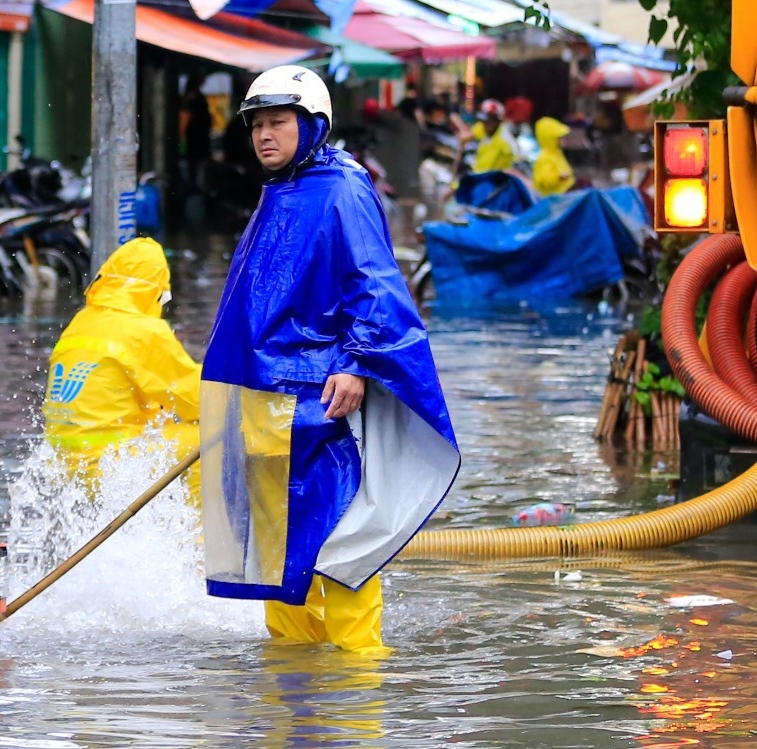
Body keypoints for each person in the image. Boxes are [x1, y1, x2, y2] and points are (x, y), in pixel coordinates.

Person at [199, 66, 458, 655]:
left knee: (341, 540)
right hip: (262, 400)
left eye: (277, 122)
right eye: (256, 125)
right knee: (275, 551)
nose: (264, 135)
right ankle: (294, 690)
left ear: (311, 124)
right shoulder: (281, 189)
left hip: (317, 399)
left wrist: (357, 362)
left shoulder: (343, 187)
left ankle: (356, 690)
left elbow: (372, 279)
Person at [42, 237, 200, 471]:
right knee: (210, 436)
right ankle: (198, 509)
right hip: (111, 464)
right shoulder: (141, 330)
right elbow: (196, 401)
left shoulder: (81, 321)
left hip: (65, 466)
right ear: (155, 293)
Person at [529, 115, 577, 197]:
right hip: (553, 201)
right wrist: (558, 178)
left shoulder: (556, 153)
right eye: (559, 137)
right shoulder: (545, 157)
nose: (562, 140)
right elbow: (544, 180)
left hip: (563, 196)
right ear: (551, 138)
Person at [468, 100, 519, 174]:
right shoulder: (486, 132)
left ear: (497, 121)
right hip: (479, 177)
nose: (485, 125)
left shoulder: (504, 141)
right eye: (483, 122)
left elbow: (514, 161)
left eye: (488, 122)